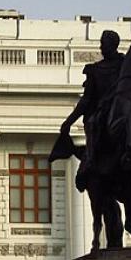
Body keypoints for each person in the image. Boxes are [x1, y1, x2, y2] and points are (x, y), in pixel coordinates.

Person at [50, 29, 125, 187]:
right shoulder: (95, 70)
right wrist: (69, 122)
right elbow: (86, 100)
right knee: (92, 125)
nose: (101, 48)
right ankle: (89, 162)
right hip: (101, 114)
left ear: (113, 45)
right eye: (101, 44)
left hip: (122, 111)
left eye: (103, 44)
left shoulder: (125, 65)